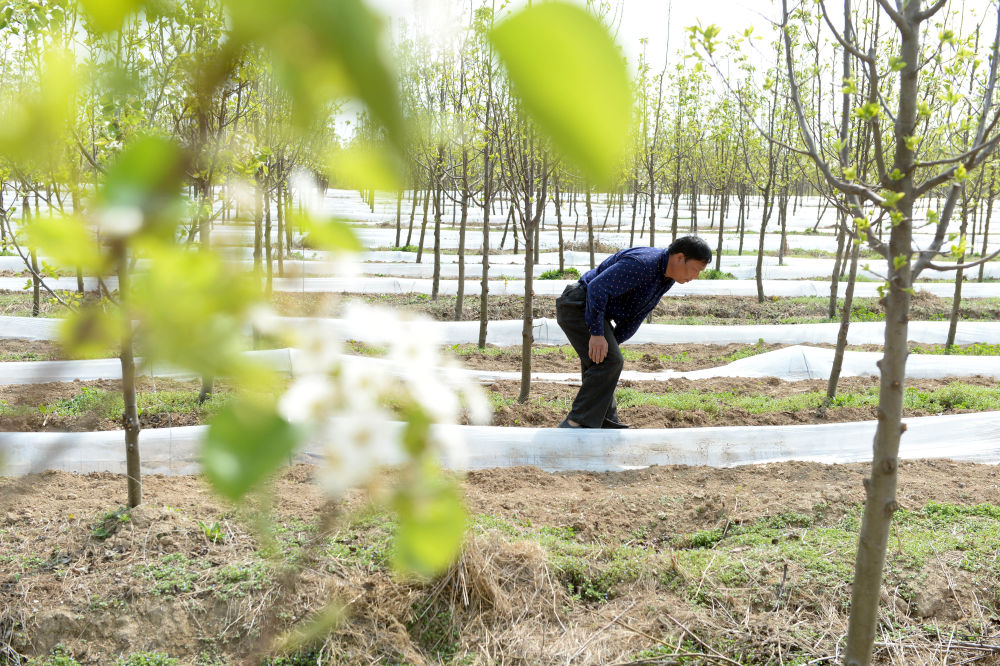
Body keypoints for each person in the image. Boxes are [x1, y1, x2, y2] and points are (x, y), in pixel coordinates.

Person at [554, 236, 712, 428]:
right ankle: (575, 423)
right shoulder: (643, 265)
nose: (696, 276)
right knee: (611, 361)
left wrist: (612, 342)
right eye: (695, 269)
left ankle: (606, 422)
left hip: (591, 308)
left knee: (605, 360)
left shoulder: (666, 278)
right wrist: (597, 334)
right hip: (578, 304)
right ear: (680, 258)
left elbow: (637, 314)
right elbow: (597, 288)